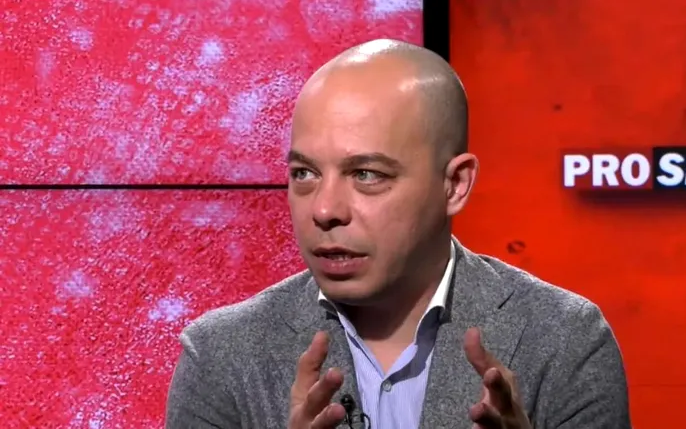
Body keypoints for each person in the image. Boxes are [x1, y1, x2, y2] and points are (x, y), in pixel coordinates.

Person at [165, 39, 631, 429]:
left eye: (366, 174)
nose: (324, 210)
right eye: (305, 173)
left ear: (455, 185)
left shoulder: (565, 341)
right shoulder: (220, 357)